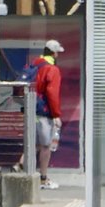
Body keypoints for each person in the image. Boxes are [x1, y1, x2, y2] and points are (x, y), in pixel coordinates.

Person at [33, 39, 64, 190]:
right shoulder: (52, 69)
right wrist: (56, 114)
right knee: (46, 146)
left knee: (33, 145)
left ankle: (20, 169)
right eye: (58, 52)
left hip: (31, 111)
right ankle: (42, 179)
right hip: (45, 112)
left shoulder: (35, 64)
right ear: (54, 53)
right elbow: (52, 93)